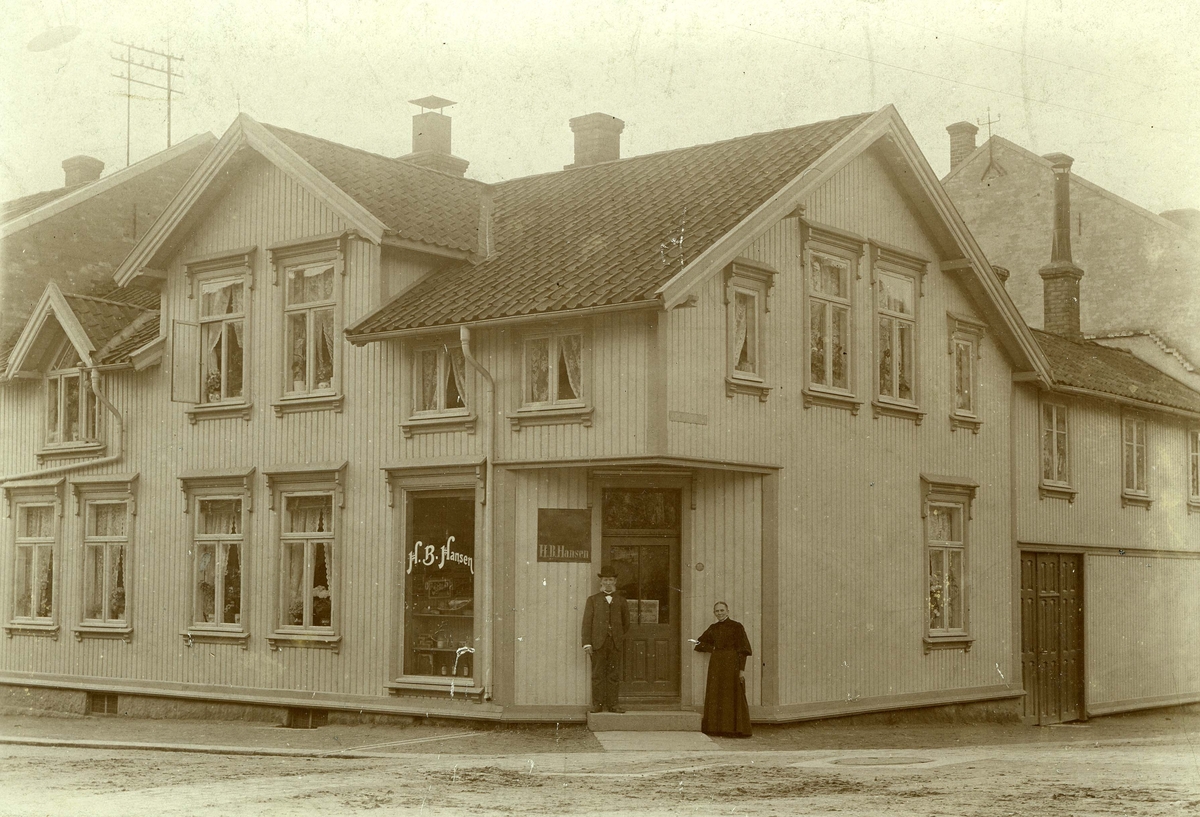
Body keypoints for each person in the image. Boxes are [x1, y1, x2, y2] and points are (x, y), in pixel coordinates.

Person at [690, 601, 752, 736]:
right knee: (716, 693)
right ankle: (715, 729)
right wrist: (711, 648)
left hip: (732, 664)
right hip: (717, 665)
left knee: (731, 695)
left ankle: (732, 730)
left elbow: (744, 650)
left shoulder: (737, 627)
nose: (719, 613)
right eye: (717, 611)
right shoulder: (713, 628)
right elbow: (697, 643)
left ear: (728, 611)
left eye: (722, 610)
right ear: (714, 613)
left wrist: (741, 670)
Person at [581, 564, 630, 713]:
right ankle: (598, 704)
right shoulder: (593, 600)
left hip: (614, 643)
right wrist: (587, 643)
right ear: (601, 582)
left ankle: (613, 705)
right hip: (597, 643)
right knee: (597, 675)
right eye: (605, 580)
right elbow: (587, 623)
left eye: (611, 580)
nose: (608, 583)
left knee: (613, 675)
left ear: (615, 582)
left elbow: (626, 624)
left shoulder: (621, 600)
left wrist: (618, 638)